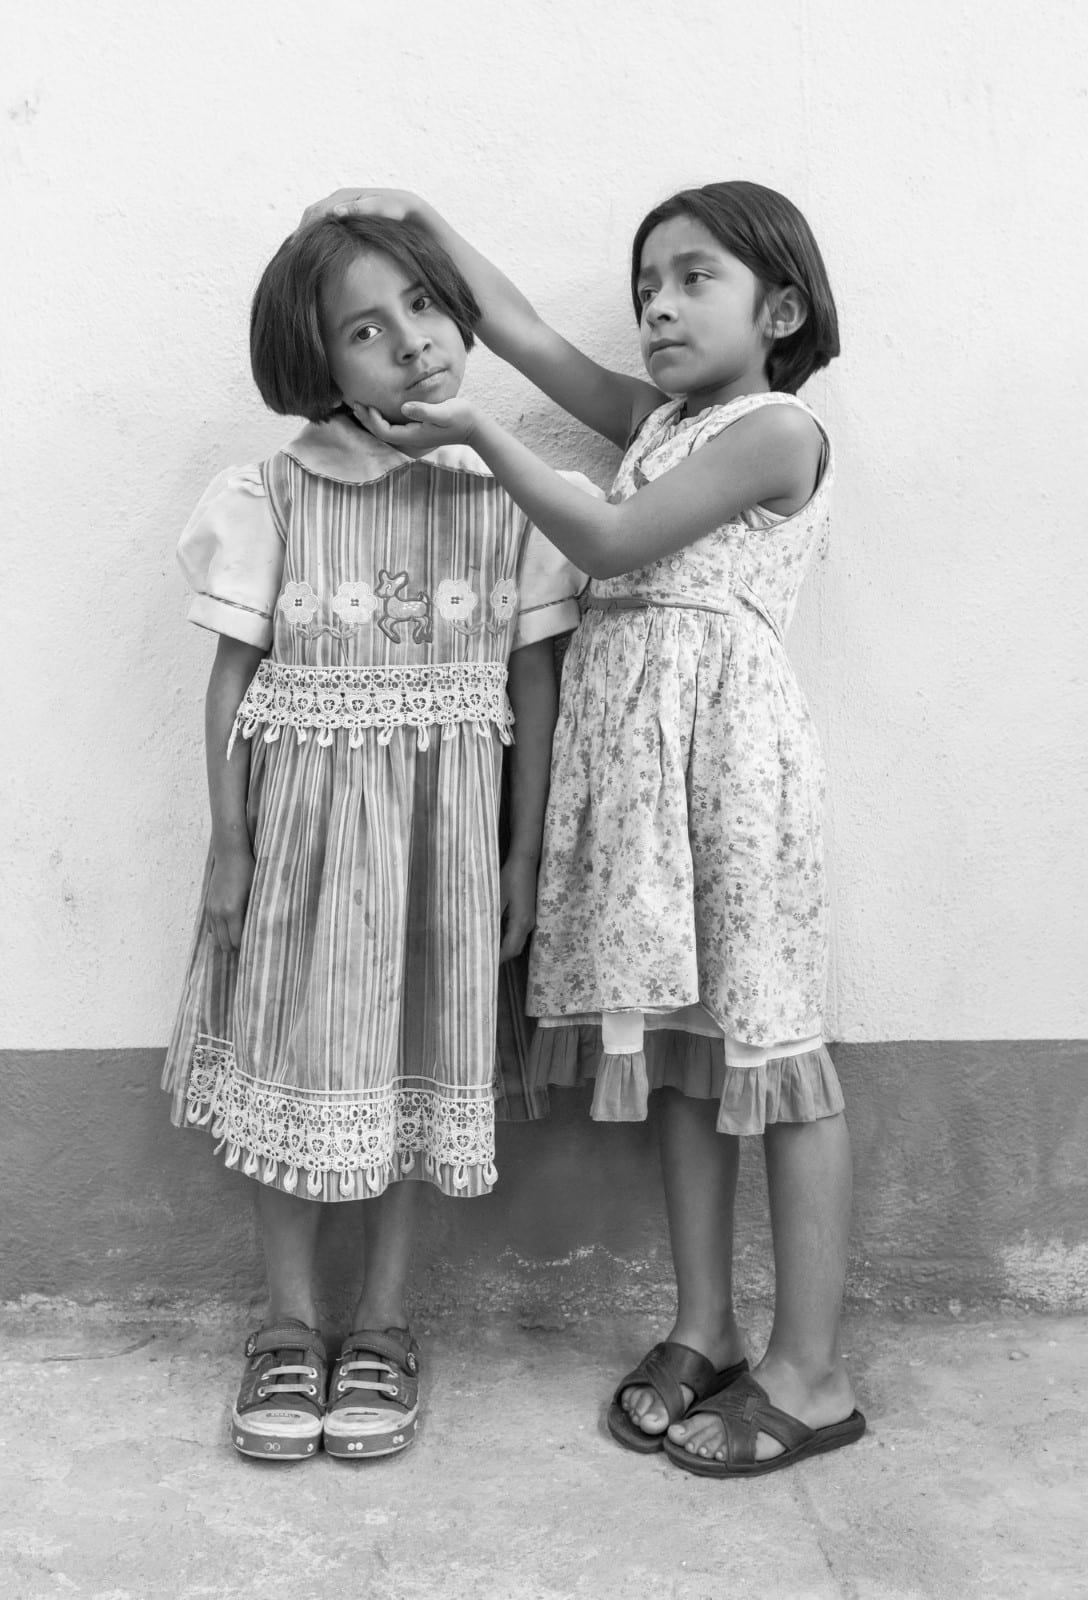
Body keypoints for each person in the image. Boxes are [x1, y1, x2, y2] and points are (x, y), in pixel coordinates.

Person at [305, 181, 865, 1477]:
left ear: (779, 306)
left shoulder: (777, 431)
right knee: (679, 1049)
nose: (657, 307)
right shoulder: (664, 419)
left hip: (728, 768)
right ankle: (706, 1326)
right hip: (643, 778)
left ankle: (813, 1369)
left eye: (691, 280)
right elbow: (523, 335)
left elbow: (609, 539)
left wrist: (476, 438)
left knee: (777, 1056)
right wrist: (420, 218)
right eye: (644, 287)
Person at [162, 213, 586, 1462]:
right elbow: (233, 680)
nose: (409, 342)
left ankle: (387, 1321)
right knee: (292, 1048)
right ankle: (288, 1320)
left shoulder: (509, 493)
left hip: (446, 844)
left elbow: (538, 690)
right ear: (318, 362)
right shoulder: (272, 492)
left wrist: (519, 859)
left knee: (422, 1053)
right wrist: (231, 843)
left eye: (420, 305)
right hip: (304, 831)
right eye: (365, 328)